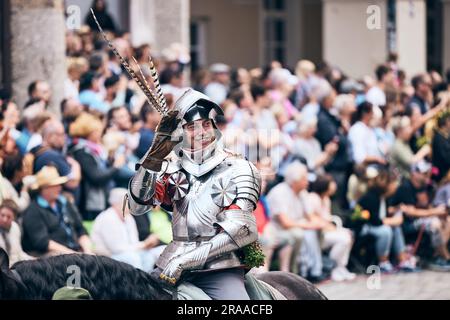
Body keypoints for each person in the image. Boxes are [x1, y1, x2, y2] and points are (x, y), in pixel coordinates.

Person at [126, 88, 261, 300]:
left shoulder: (239, 168)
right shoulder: (170, 168)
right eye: (191, 127)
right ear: (179, 132)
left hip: (220, 267)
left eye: (206, 124)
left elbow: (242, 230)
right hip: (169, 260)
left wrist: (185, 261)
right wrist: (155, 154)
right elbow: (137, 206)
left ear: (215, 127)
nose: (201, 132)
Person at [390, 160, 450, 271]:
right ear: (414, 173)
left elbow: (426, 207)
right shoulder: (405, 187)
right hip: (405, 223)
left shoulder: (425, 187)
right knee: (434, 224)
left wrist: (438, 212)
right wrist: (434, 212)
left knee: (447, 220)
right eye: (424, 173)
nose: (427, 175)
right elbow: (411, 212)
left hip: (419, 219)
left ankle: (437, 255)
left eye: (428, 172)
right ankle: (443, 257)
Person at [22, 166, 93, 256]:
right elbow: (42, 242)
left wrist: (88, 251)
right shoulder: (33, 211)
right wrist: (73, 254)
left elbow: (80, 229)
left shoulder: (65, 203)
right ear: (44, 188)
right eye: (55, 185)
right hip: (51, 257)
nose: (59, 188)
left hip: (76, 251)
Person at [91, 188, 165, 272]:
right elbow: (117, 249)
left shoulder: (129, 218)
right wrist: (143, 245)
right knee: (133, 257)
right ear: (116, 204)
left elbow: (134, 242)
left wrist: (146, 246)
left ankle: (148, 280)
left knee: (159, 251)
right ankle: (139, 282)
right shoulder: (107, 218)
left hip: (130, 253)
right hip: (109, 256)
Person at [357, 170, 417, 273]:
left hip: (375, 225)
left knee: (396, 229)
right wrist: (394, 221)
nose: (395, 187)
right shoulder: (371, 197)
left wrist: (395, 210)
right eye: (393, 184)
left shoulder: (384, 198)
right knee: (386, 231)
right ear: (387, 186)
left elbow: (383, 213)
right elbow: (375, 220)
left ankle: (402, 260)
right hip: (364, 227)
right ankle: (383, 262)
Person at [68, 112, 125, 220]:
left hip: (100, 199)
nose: (100, 134)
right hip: (90, 205)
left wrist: (111, 160)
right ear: (89, 132)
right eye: (97, 131)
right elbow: (97, 177)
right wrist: (116, 166)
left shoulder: (94, 149)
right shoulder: (81, 151)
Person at [307, 175, 356, 281]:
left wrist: (332, 226)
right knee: (344, 239)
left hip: (327, 229)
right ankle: (334, 267)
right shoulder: (312, 198)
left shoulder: (326, 199)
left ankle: (341, 267)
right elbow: (312, 218)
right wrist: (328, 226)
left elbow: (327, 218)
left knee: (349, 234)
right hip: (319, 233)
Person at [0, 200, 33, 266]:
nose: (4, 219)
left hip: (15, 267)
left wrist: (34, 260)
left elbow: (19, 253)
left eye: (8, 217)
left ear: (14, 218)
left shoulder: (15, 227)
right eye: (2, 215)